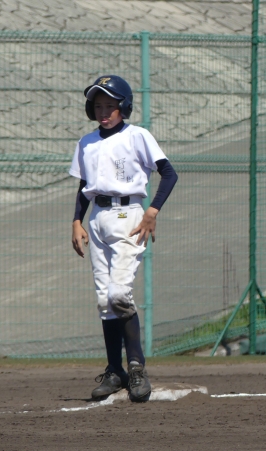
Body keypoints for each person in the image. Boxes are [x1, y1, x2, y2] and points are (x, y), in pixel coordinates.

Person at [69, 75, 178, 402]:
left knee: (118, 294)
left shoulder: (137, 135)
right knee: (105, 301)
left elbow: (169, 173)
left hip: (129, 216)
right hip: (98, 218)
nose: (104, 112)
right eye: (98, 106)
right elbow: (84, 186)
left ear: (124, 107)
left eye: (110, 106)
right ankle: (115, 371)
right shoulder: (86, 142)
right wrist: (76, 220)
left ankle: (137, 367)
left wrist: (152, 211)